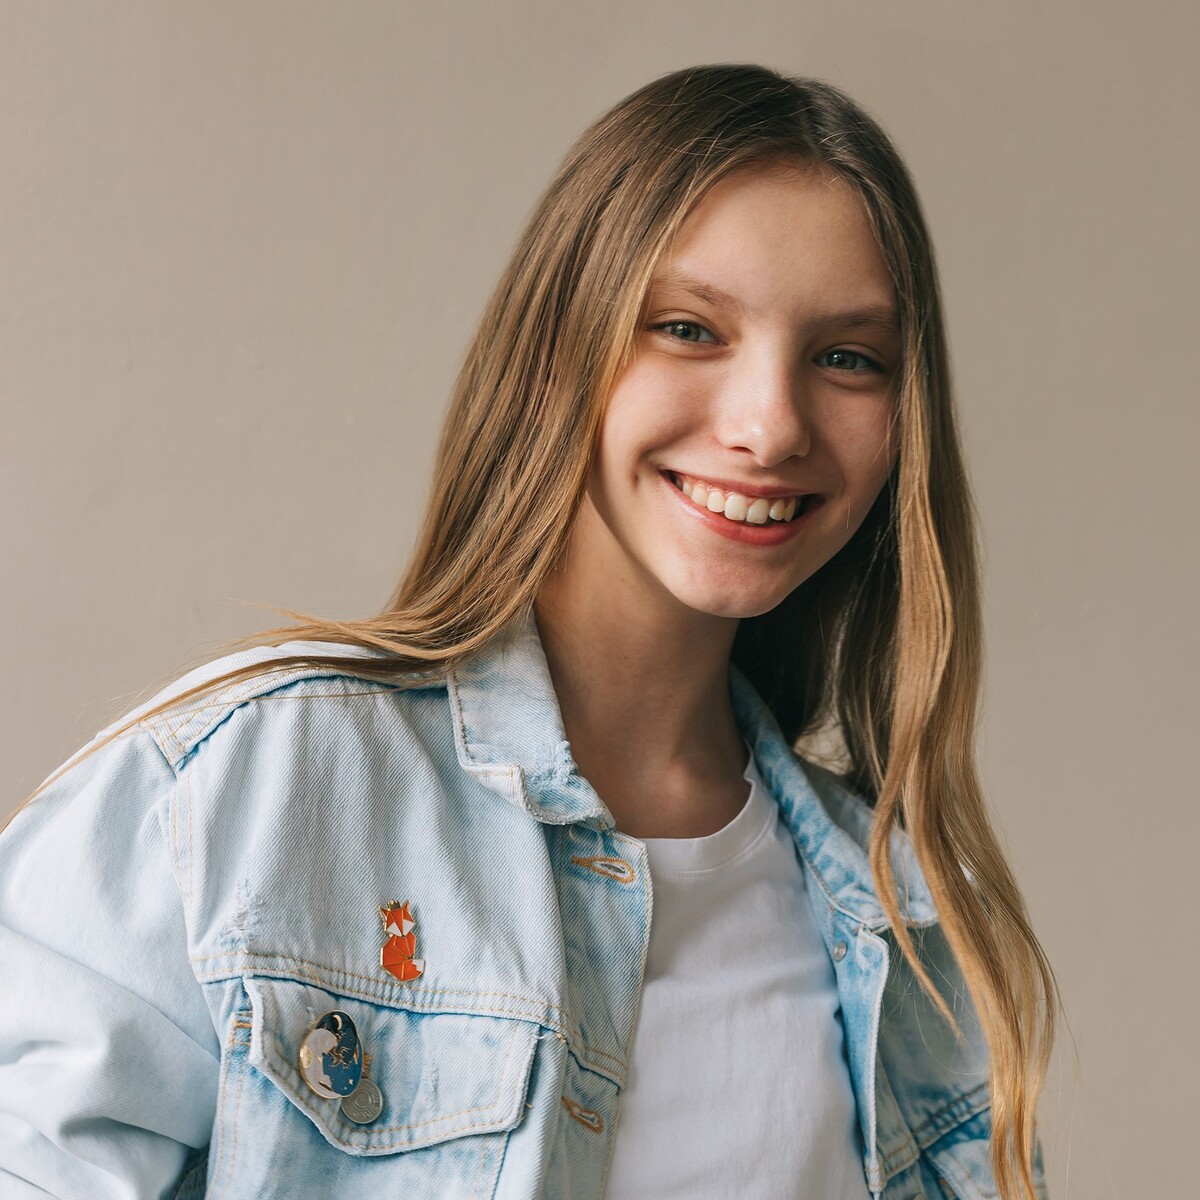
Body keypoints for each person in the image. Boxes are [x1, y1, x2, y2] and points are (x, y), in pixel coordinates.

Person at [0, 63, 1056, 1200]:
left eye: (848, 357)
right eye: (689, 328)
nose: (771, 426)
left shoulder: (914, 931)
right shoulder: (253, 792)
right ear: (560, 351)